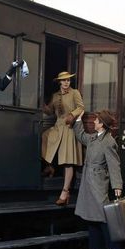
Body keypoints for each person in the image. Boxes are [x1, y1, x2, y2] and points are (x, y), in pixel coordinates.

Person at [73, 109, 125, 249]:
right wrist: (78, 120)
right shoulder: (94, 138)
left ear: (102, 124)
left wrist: (117, 186)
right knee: (91, 216)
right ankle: (97, 248)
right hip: (88, 182)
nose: (93, 122)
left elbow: (114, 165)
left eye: (96, 120)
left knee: (104, 217)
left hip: (98, 183)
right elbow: (81, 136)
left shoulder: (108, 142)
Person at [42, 71, 84, 206]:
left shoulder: (74, 93)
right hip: (58, 126)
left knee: (67, 161)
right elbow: (49, 111)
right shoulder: (55, 96)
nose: (66, 83)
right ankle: (49, 166)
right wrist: (43, 105)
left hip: (69, 128)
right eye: (64, 80)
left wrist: (72, 115)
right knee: (45, 136)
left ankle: (65, 192)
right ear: (59, 82)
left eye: (68, 80)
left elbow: (81, 107)